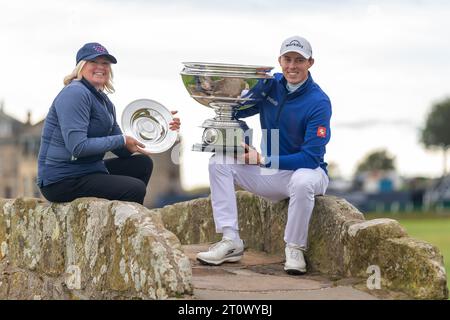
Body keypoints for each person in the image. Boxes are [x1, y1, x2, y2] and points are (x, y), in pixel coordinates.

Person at [196, 35, 331, 275]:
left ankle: (294, 247)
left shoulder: (319, 101)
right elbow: (239, 109)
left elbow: (310, 158)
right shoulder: (272, 84)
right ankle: (231, 241)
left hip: (309, 173)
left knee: (302, 180)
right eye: (287, 59)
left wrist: (262, 159)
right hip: (272, 173)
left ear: (310, 63)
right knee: (219, 162)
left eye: (299, 60)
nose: (292, 66)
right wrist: (220, 106)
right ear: (279, 60)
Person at [37, 42, 180, 205]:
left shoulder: (105, 102)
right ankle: (125, 227)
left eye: (105, 63)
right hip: (61, 180)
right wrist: (122, 140)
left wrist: (161, 124)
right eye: (93, 62)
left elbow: (122, 150)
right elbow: (77, 147)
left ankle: (120, 220)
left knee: (142, 164)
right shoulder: (75, 93)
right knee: (135, 188)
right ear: (81, 67)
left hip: (88, 170)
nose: (101, 67)